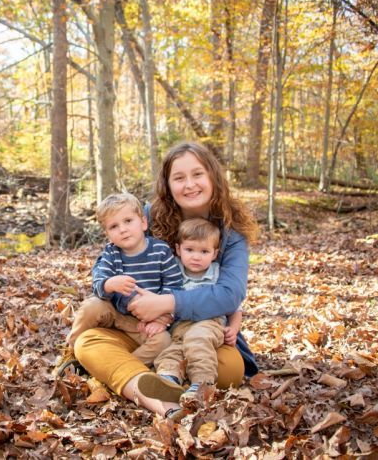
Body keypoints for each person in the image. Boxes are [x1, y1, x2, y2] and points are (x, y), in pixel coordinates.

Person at [71, 142, 259, 419]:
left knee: (230, 369)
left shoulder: (231, 234)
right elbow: (113, 256)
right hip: (142, 328)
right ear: (167, 185)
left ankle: (146, 376)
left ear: (213, 177)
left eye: (198, 174)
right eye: (179, 178)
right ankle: (160, 395)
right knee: (87, 342)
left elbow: (230, 294)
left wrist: (166, 304)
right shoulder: (149, 216)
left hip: (198, 331)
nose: (190, 185)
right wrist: (124, 296)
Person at [66, 193, 182, 365]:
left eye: (128, 221)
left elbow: (174, 285)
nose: (123, 229)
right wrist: (109, 284)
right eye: (114, 226)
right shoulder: (111, 253)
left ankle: (126, 366)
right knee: (92, 306)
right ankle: (71, 350)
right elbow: (97, 284)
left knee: (163, 341)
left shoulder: (161, 250)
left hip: (145, 323)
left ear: (143, 223)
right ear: (107, 234)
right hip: (115, 314)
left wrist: (162, 318)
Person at [138, 217, 244, 405]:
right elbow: (161, 299)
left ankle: (202, 385)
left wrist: (233, 329)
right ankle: (168, 380)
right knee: (172, 351)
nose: (196, 257)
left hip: (209, 324)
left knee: (198, 341)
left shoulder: (217, 273)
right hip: (180, 327)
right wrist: (158, 320)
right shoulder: (173, 270)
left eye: (204, 251)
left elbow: (234, 307)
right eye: (189, 250)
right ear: (178, 249)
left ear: (214, 253)